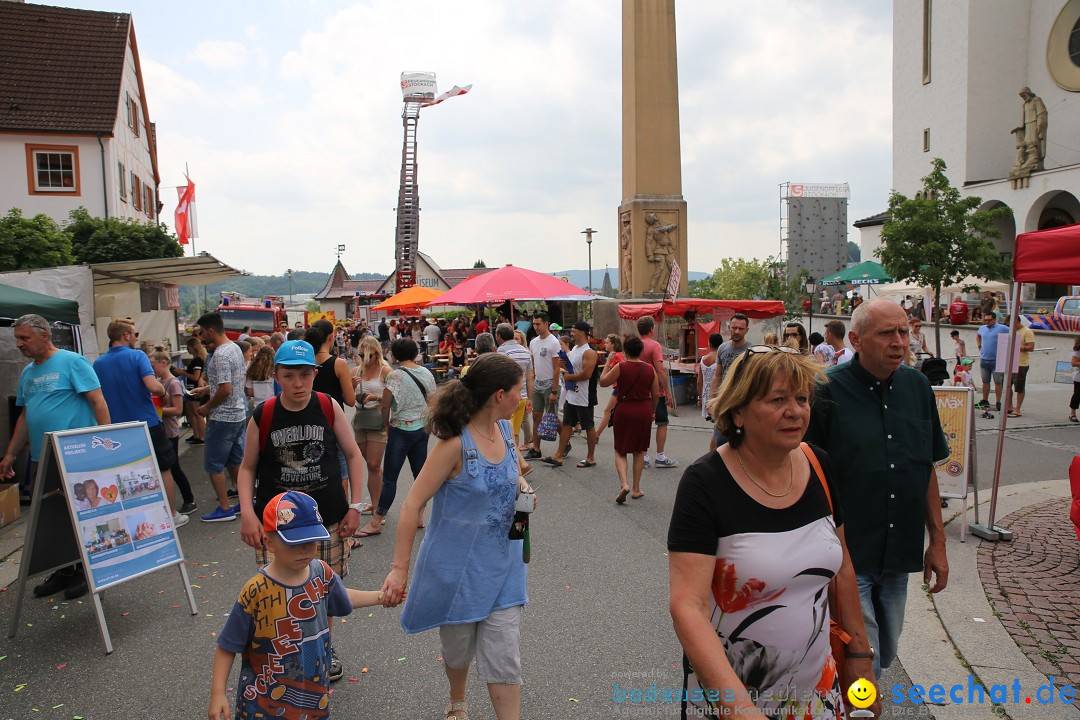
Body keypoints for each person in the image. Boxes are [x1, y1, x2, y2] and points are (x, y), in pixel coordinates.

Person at [669, 345, 875, 718]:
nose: (795, 411)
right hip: (736, 701)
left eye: (801, 398)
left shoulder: (818, 464)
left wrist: (860, 657)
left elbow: (843, 567)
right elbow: (688, 606)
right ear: (738, 412)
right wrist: (741, 711)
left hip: (819, 693)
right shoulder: (705, 482)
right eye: (778, 399)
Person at [380, 353, 531, 720]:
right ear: (499, 394)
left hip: (505, 565)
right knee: (458, 649)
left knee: (504, 655)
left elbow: (515, 473)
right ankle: (457, 701)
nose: (521, 395)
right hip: (458, 569)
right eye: (518, 389)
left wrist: (523, 488)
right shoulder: (453, 446)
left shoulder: (507, 431)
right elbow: (412, 505)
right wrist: (399, 570)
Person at [805, 298, 950, 678]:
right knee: (862, 657)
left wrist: (937, 540)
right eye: (887, 333)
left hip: (899, 553)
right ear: (855, 339)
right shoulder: (826, 390)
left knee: (884, 652)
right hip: (848, 554)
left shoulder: (918, 387)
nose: (900, 341)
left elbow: (927, 467)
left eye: (903, 331)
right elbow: (804, 468)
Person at [210, 491, 385, 720]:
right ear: (268, 542)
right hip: (264, 704)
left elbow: (342, 597)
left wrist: (381, 597)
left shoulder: (321, 572)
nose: (304, 549)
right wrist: (217, 693)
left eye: (310, 541)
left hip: (313, 698)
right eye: (294, 543)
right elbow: (228, 644)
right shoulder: (256, 590)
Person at [0, 314, 110, 599]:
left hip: (75, 455)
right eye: (17, 339)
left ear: (44, 336)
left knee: (82, 514)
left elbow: (98, 401)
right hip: (42, 457)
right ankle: (66, 570)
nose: (19, 345)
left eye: (24, 338)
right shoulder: (28, 373)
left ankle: (89, 571)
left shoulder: (72, 362)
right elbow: (25, 415)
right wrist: (10, 453)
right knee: (53, 516)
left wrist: (105, 445)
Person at [93, 320, 187, 528]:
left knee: (126, 473)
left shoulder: (98, 363)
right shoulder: (137, 356)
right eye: (134, 334)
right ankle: (171, 515)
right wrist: (163, 391)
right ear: (126, 335)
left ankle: (133, 517)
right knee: (164, 468)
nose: (136, 338)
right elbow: (153, 386)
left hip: (116, 427)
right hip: (146, 422)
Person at [356, 338, 436, 537]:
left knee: (390, 479)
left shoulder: (396, 375)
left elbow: (386, 405)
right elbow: (433, 400)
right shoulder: (426, 372)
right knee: (420, 476)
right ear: (416, 352)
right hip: (422, 430)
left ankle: (376, 521)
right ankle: (419, 515)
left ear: (393, 355)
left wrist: (385, 425)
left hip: (400, 430)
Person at [193, 312, 248, 523]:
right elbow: (232, 383)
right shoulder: (234, 348)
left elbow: (225, 389)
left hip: (222, 417)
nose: (201, 337)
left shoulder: (220, 355)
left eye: (202, 333)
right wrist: (207, 388)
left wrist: (207, 406)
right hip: (238, 414)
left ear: (210, 330)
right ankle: (243, 502)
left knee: (214, 464)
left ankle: (224, 507)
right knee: (235, 461)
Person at [600, 336, 657, 503]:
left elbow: (603, 382)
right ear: (641, 351)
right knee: (639, 451)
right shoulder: (649, 369)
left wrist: (608, 363)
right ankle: (636, 489)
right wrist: (652, 411)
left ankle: (624, 484)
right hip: (643, 410)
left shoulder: (621, 367)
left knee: (620, 450)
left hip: (624, 411)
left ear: (625, 351)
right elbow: (655, 394)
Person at [542, 321, 599, 469]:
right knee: (567, 423)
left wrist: (569, 377)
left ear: (582, 332)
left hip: (585, 395)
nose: (571, 333)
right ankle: (559, 455)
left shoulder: (589, 352)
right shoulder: (574, 349)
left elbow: (587, 374)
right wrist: (564, 365)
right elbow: (572, 368)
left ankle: (590, 457)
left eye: (574, 331)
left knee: (588, 426)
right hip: (572, 394)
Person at [150, 351, 197, 515]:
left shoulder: (173, 383)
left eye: (153, 365)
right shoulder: (158, 382)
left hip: (169, 431)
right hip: (162, 430)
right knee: (170, 467)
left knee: (174, 468)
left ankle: (189, 499)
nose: (151, 369)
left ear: (163, 363)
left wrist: (156, 411)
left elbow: (177, 409)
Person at [352, 336, 392, 519]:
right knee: (370, 465)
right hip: (361, 420)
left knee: (374, 464)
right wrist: (352, 389)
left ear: (377, 354)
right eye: (362, 355)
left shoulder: (386, 371)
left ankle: (378, 507)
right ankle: (376, 502)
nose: (366, 359)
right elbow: (350, 400)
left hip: (377, 419)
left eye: (369, 355)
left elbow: (395, 399)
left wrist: (375, 397)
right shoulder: (356, 371)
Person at [636, 316, 677, 468]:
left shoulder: (635, 345)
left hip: (640, 390)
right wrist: (667, 391)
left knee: (643, 424)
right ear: (651, 329)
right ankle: (660, 455)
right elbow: (660, 370)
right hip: (655, 391)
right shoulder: (655, 346)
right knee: (662, 422)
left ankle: (644, 456)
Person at [526, 312, 562, 460]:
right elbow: (534, 365)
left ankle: (565, 441)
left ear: (546, 324)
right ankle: (536, 448)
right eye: (534, 324)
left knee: (551, 417)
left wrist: (554, 390)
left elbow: (556, 368)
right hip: (538, 383)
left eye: (538, 324)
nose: (536, 327)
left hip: (550, 383)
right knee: (536, 416)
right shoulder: (533, 342)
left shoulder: (553, 342)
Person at [495, 323, 534, 446]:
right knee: (515, 432)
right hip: (522, 396)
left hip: (507, 396)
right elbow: (530, 376)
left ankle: (509, 460)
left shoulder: (502, 350)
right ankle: (516, 461)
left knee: (505, 432)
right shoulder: (525, 350)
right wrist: (530, 398)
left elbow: (500, 375)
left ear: (499, 336)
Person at [976, 311, 1009, 411]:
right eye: (985, 320)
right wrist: (979, 346)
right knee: (985, 381)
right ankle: (985, 400)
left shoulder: (1002, 328)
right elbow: (978, 335)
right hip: (984, 359)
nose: (987, 322)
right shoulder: (983, 328)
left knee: (997, 382)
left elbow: (1013, 334)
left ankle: (998, 401)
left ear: (995, 319)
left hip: (996, 360)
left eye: (989, 320)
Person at [596, 334, 626, 437]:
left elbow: (624, 368)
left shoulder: (616, 355)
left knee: (608, 410)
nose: (605, 344)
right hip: (617, 386)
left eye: (607, 342)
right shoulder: (613, 355)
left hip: (619, 387)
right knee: (614, 411)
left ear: (613, 344)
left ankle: (596, 434)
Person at [1006, 317, 1036, 418]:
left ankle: (1017, 409)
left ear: (1017, 322)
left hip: (1021, 363)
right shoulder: (1010, 332)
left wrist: (1020, 347)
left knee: (1019, 387)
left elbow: (1031, 347)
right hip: (1009, 362)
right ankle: (1009, 406)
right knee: (1007, 386)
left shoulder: (1027, 332)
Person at [181, 336, 207, 444]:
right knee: (191, 413)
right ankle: (196, 434)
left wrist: (182, 373)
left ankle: (202, 436)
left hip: (195, 389)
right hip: (191, 389)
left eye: (188, 347)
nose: (187, 349)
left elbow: (196, 377)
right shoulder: (196, 359)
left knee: (197, 413)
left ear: (193, 347)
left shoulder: (198, 360)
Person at [695, 333, 722, 421]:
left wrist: (700, 398)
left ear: (709, 344)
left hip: (706, 396)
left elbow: (699, 382)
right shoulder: (721, 358)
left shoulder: (703, 359)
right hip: (719, 394)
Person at [1069, 335, 1080, 423]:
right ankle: (1072, 413)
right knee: (1077, 395)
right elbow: (1073, 362)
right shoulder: (1078, 348)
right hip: (1079, 377)